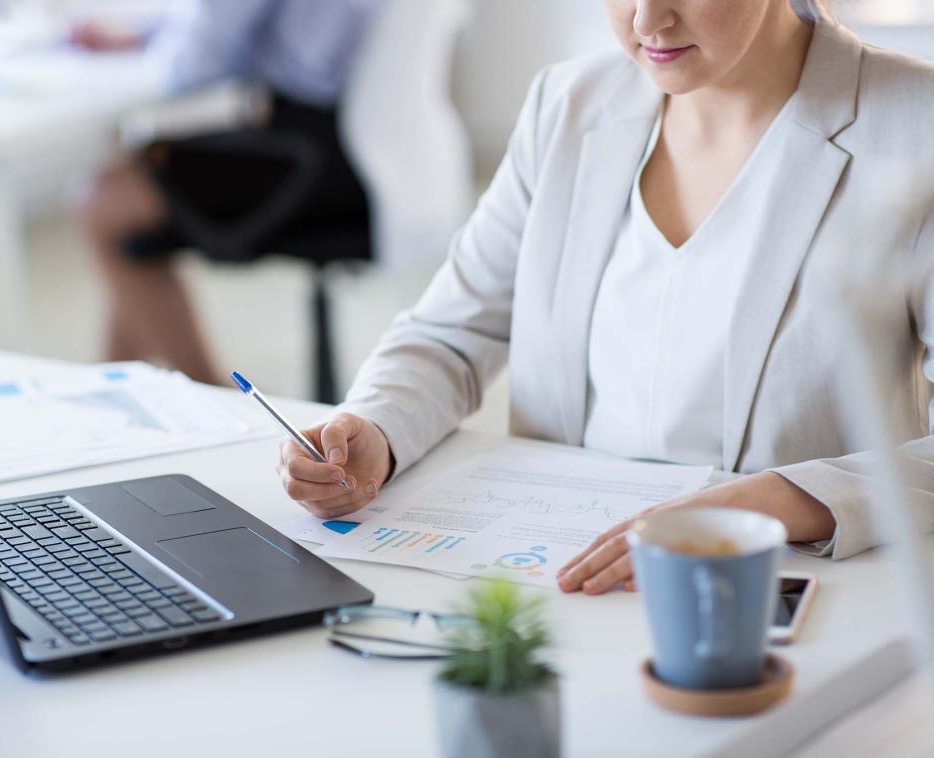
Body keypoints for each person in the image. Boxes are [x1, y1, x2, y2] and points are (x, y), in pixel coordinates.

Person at [276, 0, 934, 594]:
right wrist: (375, 428)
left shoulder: (913, 126)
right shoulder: (569, 105)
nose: (647, 20)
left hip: (796, 585)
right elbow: (452, 332)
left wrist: (768, 502)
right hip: (566, 575)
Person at [75, 0, 378, 385]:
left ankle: (217, 400)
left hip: (304, 158)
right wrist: (147, 35)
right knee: (130, 202)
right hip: (355, 147)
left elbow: (195, 64)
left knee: (104, 202)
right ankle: (112, 404)